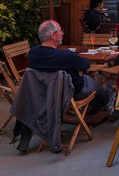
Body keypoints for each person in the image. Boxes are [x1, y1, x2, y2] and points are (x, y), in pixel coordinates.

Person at [11, 20, 112, 153]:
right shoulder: (65, 55)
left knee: (87, 81)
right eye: (60, 31)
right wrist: (77, 70)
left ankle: (25, 141)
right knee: (99, 89)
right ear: (53, 36)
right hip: (70, 93)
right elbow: (85, 65)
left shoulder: (33, 53)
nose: (63, 33)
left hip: (40, 95)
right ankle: (107, 105)